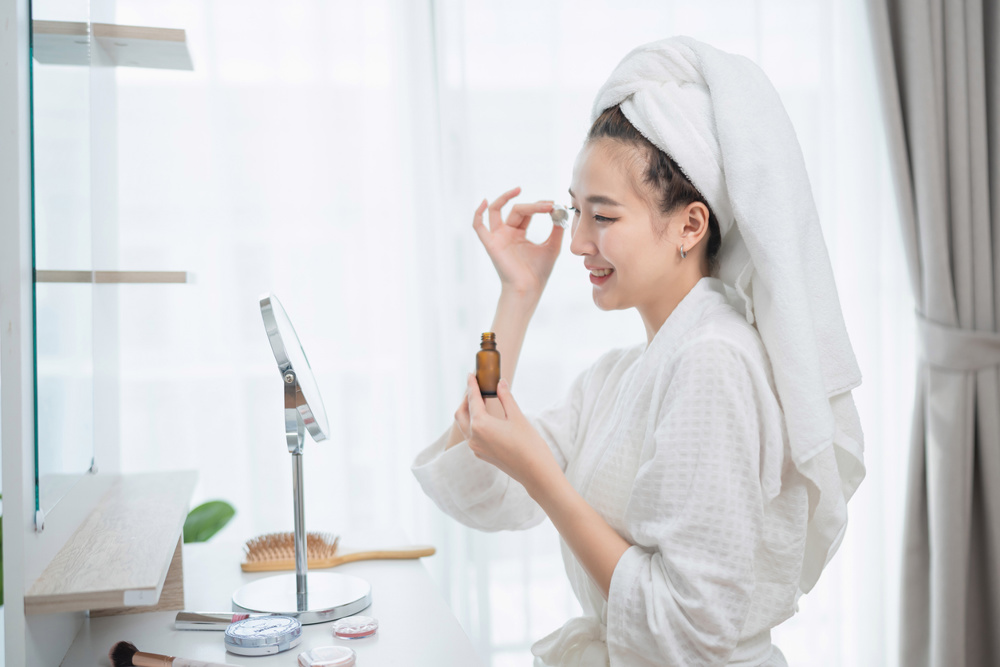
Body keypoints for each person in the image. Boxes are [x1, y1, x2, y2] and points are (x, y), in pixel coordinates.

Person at [412, 36, 864, 667]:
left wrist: (543, 477)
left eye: (603, 217)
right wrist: (517, 296)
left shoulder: (715, 362)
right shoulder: (621, 376)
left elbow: (689, 634)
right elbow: (483, 488)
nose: (577, 242)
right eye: (575, 212)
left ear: (690, 225)